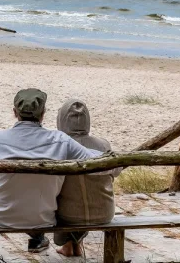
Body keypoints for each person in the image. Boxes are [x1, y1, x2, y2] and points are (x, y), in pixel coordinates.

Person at [0, 89, 102, 255]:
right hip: (43, 218)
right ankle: (37, 240)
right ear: (43, 113)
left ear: (15, 112)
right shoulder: (60, 140)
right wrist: (108, 153)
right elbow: (94, 160)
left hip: (0, 218)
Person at [53, 99, 121, 257]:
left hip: (69, 215)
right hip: (104, 212)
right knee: (87, 190)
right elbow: (116, 172)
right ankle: (76, 244)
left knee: (62, 194)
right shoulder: (103, 145)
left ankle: (68, 245)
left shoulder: (58, 145)